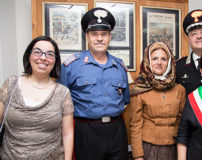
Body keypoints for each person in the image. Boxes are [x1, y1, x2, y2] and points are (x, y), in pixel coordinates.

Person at [58, 7, 130, 160]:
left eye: (104, 34)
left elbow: (125, 100)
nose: (99, 38)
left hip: (116, 130)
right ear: (87, 37)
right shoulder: (71, 66)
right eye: (94, 34)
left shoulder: (120, 67)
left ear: (110, 37)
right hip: (85, 131)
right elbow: (61, 105)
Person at [0, 36, 74, 160]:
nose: (43, 57)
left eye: (50, 54)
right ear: (29, 56)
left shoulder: (63, 93)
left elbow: (67, 134)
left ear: (55, 60)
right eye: (37, 52)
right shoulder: (11, 85)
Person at [130, 42, 186, 160]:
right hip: (149, 149)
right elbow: (135, 125)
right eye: (154, 58)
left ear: (170, 62)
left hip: (174, 148)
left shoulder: (179, 90)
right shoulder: (140, 88)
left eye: (164, 59)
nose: (159, 63)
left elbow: (182, 124)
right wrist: (138, 156)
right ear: (148, 62)